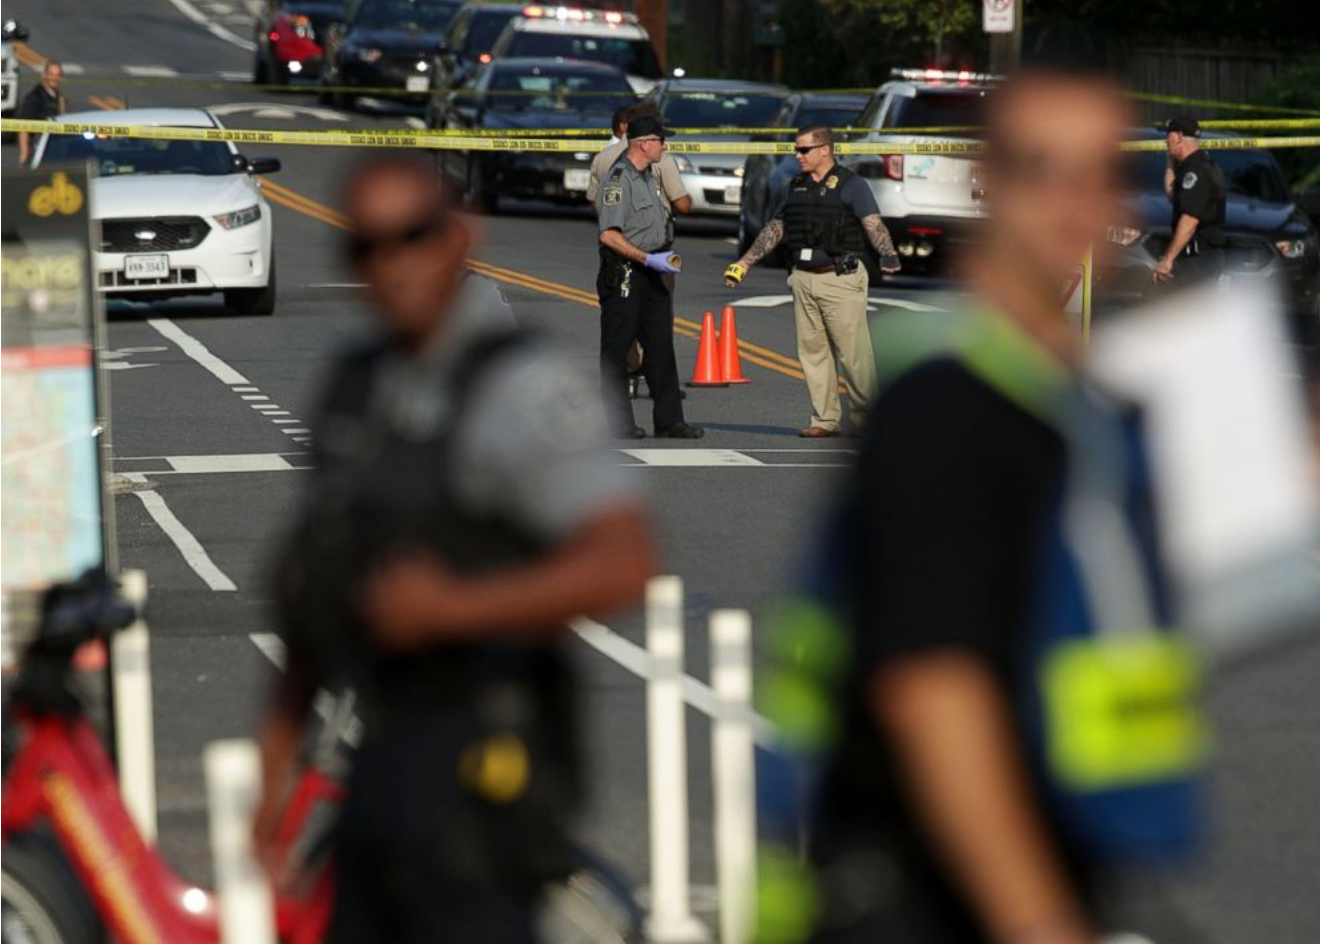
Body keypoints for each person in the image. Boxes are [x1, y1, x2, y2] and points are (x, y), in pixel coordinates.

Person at [762, 71, 1206, 944]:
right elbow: (934, 690)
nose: (1074, 203)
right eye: (1043, 169)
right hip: (927, 895)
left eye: (1098, 173)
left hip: (1044, 858)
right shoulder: (951, 405)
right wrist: (1040, 923)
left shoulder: (1071, 396)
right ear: (987, 183)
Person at [252, 155, 657, 943]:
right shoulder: (353, 385)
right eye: (366, 247)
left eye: (413, 236)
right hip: (375, 759)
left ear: (460, 235)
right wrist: (273, 781)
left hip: (486, 765)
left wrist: (456, 608)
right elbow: (313, 598)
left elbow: (625, 558)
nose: (392, 264)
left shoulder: (523, 385)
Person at [724, 126, 901, 438]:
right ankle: (825, 419)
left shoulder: (851, 184)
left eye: (803, 150)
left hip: (840, 278)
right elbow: (775, 228)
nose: (797, 155)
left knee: (854, 354)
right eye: (796, 149)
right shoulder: (797, 186)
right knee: (813, 353)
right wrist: (745, 263)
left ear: (824, 150)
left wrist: (888, 254)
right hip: (803, 278)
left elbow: (872, 223)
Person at [597, 115, 702, 439]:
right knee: (618, 347)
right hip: (627, 271)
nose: (664, 146)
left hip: (654, 269)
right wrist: (646, 258)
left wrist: (661, 256)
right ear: (643, 144)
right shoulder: (618, 180)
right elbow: (609, 235)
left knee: (661, 346)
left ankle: (669, 420)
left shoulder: (648, 176)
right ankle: (618, 422)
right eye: (660, 140)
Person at [1153, 115, 1226, 287]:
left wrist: (1168, 259)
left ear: (1178, 136)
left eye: (1168, 135)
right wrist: (1170, 163)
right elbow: (1173, 195)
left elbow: (1190, 219)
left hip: (1197, 260)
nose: (1165, 140)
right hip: (1198, 259)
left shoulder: (1195, 171)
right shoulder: (1200, 164)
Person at [588, 102, 691, 214]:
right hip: (652, 228)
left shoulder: (601, 158)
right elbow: (682, 205)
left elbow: (595, 203)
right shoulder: (662, 160)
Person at [17, 60, 64, 167]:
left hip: (53, 149)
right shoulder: (35, 97)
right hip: (38, 150)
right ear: (44, 75)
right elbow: (23, 128)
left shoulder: (57, 97)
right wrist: (24, 154)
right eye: (51, 74)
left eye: (57, 75)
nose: (54, 78)